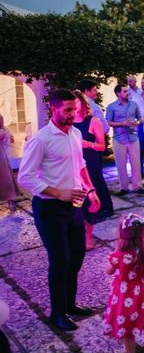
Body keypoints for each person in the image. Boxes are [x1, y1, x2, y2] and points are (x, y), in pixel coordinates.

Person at [17, 89, 100, 331]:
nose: (73, 114)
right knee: (60, 261)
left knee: (76, 256)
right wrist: (58, 192)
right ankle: (57, 313)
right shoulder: (41, 139)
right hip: (49, 208)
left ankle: (70, 305)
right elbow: (26, 177)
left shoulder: (74, 133)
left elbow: (81, 165)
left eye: (75, 109)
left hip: (74, 205)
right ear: (54, 109)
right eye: (68, 110)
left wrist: (92, 191)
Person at [104, 213, 144, 353]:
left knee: (126, 326)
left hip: (125, 294)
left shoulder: (118, 256)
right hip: (142, 290)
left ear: (121, 234)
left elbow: (108, 271)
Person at [72, 91, 114, 249]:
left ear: (83, 103)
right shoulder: (67, 123)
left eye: (76, 102)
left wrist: (87, 144)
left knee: (90, 199)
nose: (74, 107)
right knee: (76, 200)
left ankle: (88, 238)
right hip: (73, 163)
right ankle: (77, 234)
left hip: (90, 162)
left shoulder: (93, 121)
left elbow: (102, 146)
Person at [106, 84, 144, 195]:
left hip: (133, 137)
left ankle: (138, 186)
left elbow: (140, 118)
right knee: (121, 164)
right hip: (119, 138)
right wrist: (122, 123)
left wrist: (137, 122)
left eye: (127, 91)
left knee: (136, 164)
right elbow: (108, 122)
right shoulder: (111, 107)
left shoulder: (134, 104)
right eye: (125, 91)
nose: (128, 93)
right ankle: (124, 187)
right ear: (118, 93)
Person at [0, 114, 19, 212]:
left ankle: (10, 200)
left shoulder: (3, 130)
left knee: (6, 180)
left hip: (1, 157)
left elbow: (6, 137)